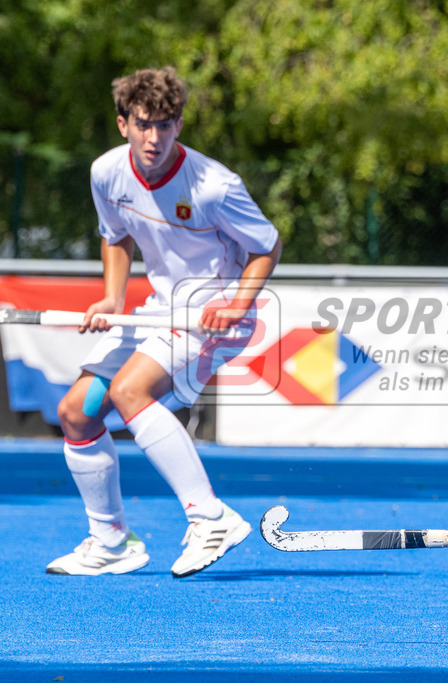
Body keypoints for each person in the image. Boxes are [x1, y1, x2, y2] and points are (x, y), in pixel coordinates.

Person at [46, 66, 282, 578]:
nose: (156, 138)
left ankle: (211, 518)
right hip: (158, 309)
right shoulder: (106, 173)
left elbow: (267, 246)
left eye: (167, 124)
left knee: (131, 391)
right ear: (123, 123)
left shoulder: (216, 186)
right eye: (144, 124)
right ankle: (111, 543)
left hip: (214, 312)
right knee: (77, 412)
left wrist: (239, 302)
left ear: (179, 124)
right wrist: (112, 298)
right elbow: (115, 236)